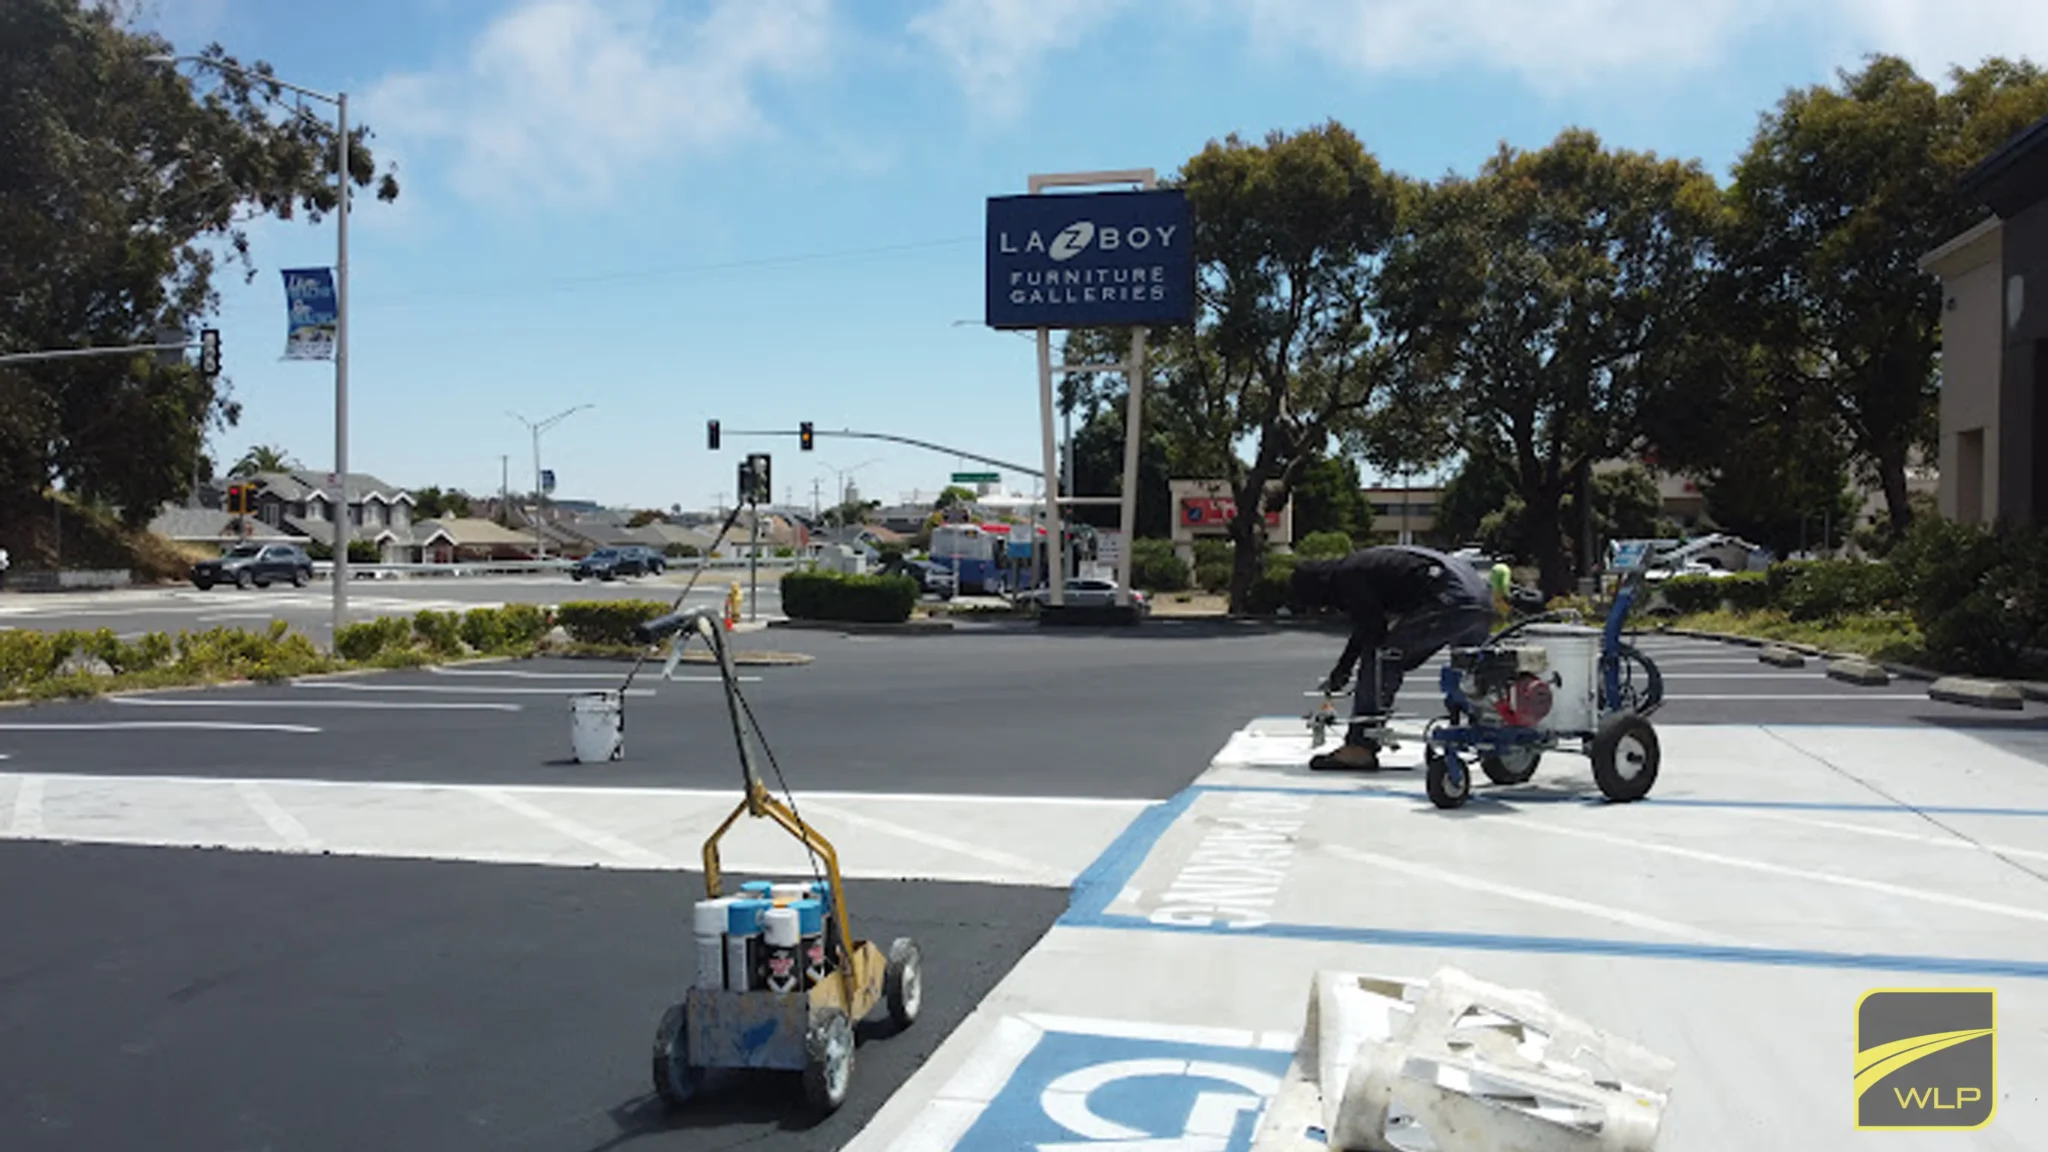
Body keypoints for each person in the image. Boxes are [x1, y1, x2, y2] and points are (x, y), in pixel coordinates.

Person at [1289, 545, 1496, 769]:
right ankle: (1495, 727)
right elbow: (1367, 624)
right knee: (1472, 671)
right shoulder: (1364, 564)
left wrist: (1348, 671)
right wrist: (1343, 669)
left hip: (1449, 599)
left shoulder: (1348, 576)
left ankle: (1360, 746)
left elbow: (1372, 631)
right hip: (1479, 596)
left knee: (1383, 658)